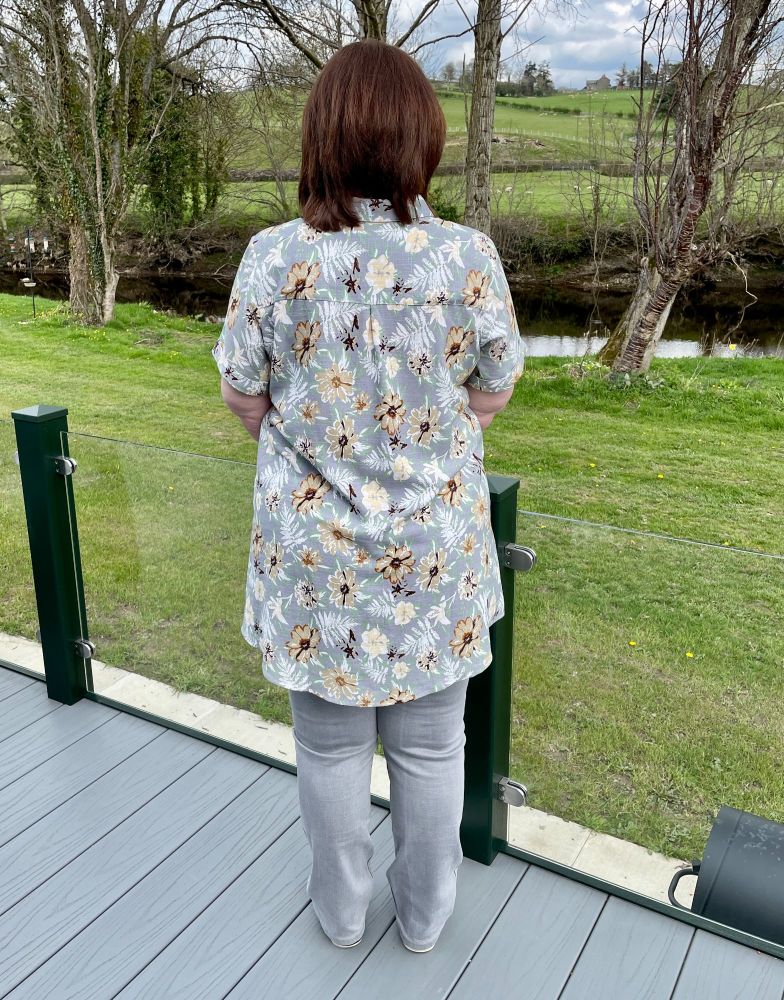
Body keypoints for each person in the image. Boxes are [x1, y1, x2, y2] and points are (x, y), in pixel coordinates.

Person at [212, 39, 525, 954]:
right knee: (433, 750)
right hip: (434, 560)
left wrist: (303, 448)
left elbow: (242, 388)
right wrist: (427, 445)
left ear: (322, 137)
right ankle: (426, 920)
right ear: (421, 136)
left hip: (315, 565)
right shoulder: (466, 257)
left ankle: (342, 915)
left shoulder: (275, 259)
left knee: (332, 751)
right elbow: (497, 386)